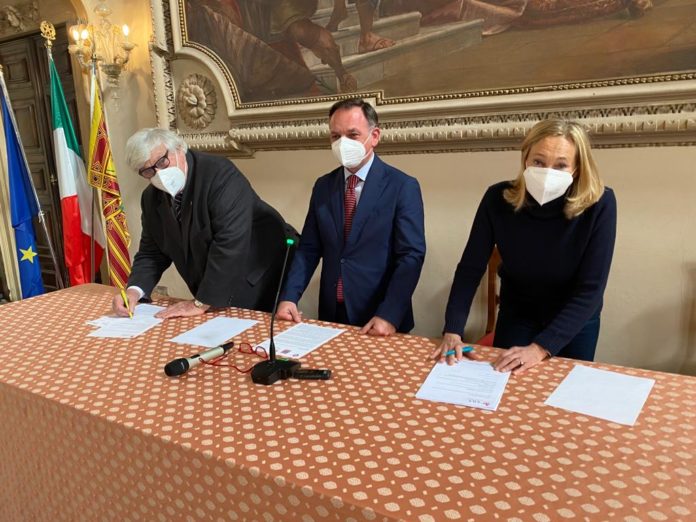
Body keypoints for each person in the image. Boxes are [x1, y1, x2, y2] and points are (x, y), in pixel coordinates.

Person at [432, 119, 616, 372]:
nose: (548, 172)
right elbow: (470, 268)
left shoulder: (600, 203)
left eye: (561, 165)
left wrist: (540, 348)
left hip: (573, 320)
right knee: (505, 379)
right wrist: (453, 329)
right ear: (525, 158)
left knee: (563, 388)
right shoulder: (497, 198)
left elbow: (591, 289)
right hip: (518, 313)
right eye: (538, 162)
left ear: (576, 169)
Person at [276, 98, 426, 335]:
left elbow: (411, 256)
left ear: (374, 136)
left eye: (352, 135)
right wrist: (289, 297)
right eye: (336, 136)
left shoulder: (402, 186)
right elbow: (309, 249)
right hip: (332, 314)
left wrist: (389, 315)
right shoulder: (324, 186)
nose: (343, 143)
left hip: (380, 316)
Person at [112, 128, 297, 319]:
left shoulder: (220, 174)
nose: (159, 173)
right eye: (148, 171)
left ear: (179, 148)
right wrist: (134, 291)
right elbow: (152, 252)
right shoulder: (151, 198)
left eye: (162, 162)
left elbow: (230, 242)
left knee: (252, 331)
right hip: (217, 280)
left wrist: (200, 302)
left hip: (260, 269)